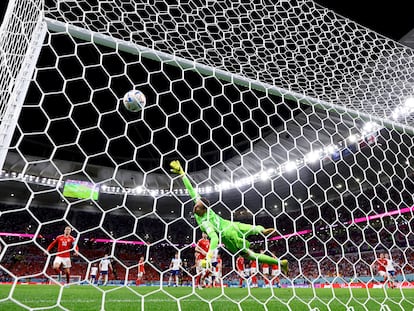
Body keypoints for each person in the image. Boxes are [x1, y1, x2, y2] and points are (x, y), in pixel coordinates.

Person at [170, 160, 288, 274]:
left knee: (249, 255)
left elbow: (215, 238)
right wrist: (182, 174)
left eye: (198, 207)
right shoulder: (205, 207)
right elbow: (191, 190)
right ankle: (278, 259)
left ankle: (266, 240)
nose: (195, 207)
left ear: (204, 209)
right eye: (196, 205)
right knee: (252, 228)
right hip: (232, 224)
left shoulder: (204, 222)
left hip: (228, 236)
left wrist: (209, 257)